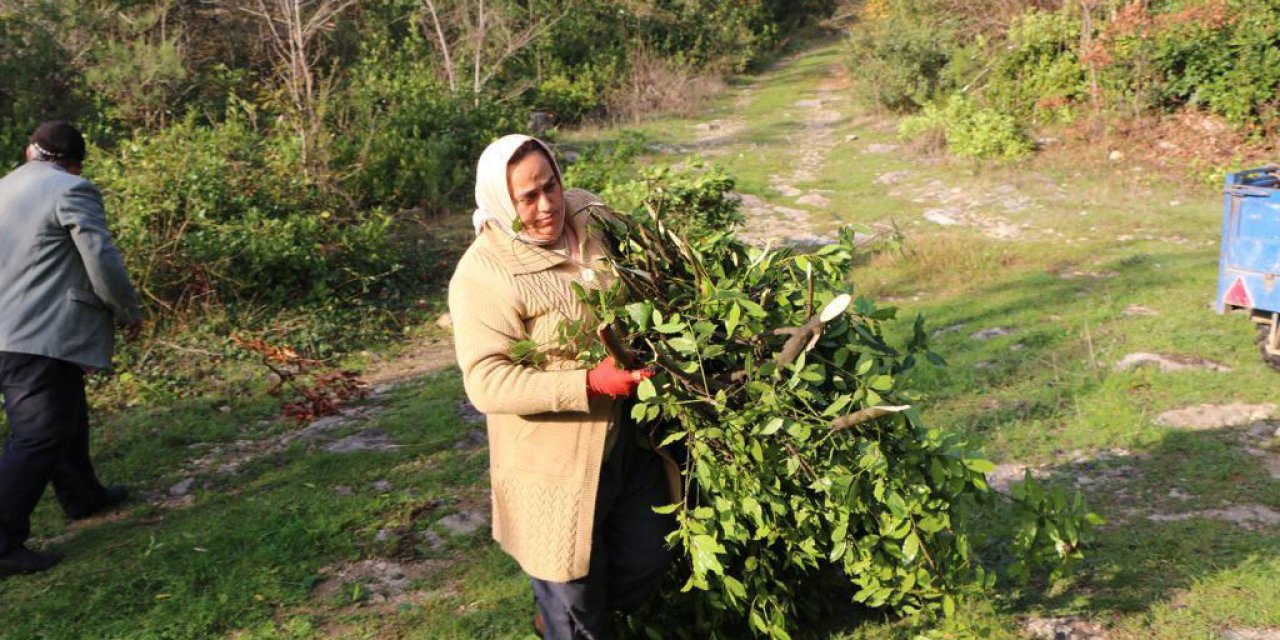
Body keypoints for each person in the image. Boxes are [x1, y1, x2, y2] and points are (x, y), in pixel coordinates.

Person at [449, 134, 676, 639]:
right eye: (527, 198)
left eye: (550, 185)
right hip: (554, 463)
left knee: (650, 557)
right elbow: (487, 382)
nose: (547, 205)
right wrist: (589, 383)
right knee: (575, 609)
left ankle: (567, 615)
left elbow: (645, 262)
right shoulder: (484, 274)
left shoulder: (590, 213)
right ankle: (560, 620)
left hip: (627, 441)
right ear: (501, 202)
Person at [0, 121, 142, 577]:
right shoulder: (71, 189)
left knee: (65, 408)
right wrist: (127, 311)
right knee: (38, 433)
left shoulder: (4, 188)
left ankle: (84, 497)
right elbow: (101, 258)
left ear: (30, 151)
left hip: (11, 330)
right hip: (35, 331)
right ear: (75, 164)